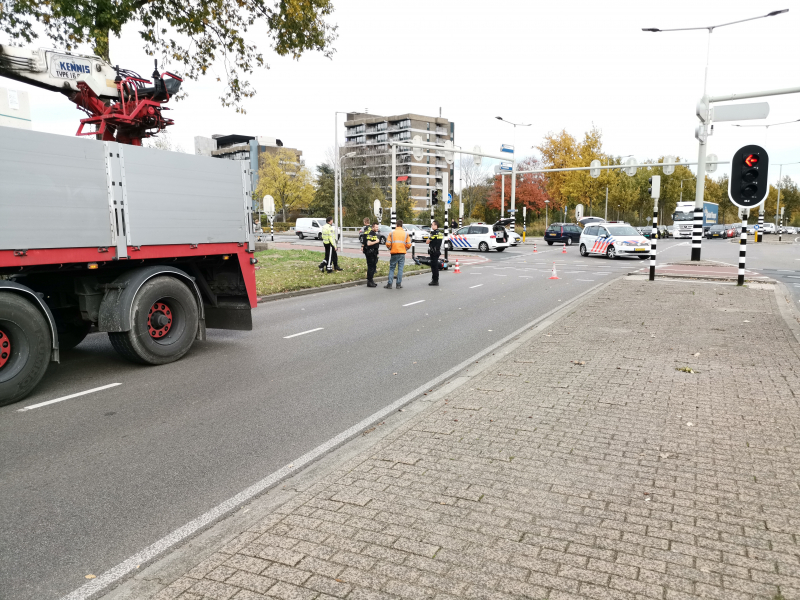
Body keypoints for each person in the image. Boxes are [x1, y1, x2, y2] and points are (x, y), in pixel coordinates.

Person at [384, 218, 411, 289]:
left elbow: (388, 244)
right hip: (402, 253)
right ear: (402, 225)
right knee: (400, 268)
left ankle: (389, 284)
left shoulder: (392, 233)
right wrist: (405, 249)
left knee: (392, 268)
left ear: (396, 225)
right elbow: (409, 244)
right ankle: (398, 284)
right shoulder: (406, 234)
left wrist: (391, 248)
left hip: (394, 253)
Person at [427, 220, 443, 286]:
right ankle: (435, 279)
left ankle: (435, 280)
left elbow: (427, 242)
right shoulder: (440, 233)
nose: (431, 226)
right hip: (437, 251)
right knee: (435, 265)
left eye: (432, 225)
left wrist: (429, 238)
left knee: (434, 266)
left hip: (433, 252)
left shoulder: (433, 234)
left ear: (436, 225)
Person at [364, 222, 381, 287]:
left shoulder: (374, 234)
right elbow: (368, 243)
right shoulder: (371, 233)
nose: (377, 228)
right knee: (371, 267)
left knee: (373, 267)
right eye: (376, 227)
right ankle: (369, 281)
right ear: (373, 227)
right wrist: (376, 241)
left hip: (374, 253)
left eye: (378, 227)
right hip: (370, 253)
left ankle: (371, 280)